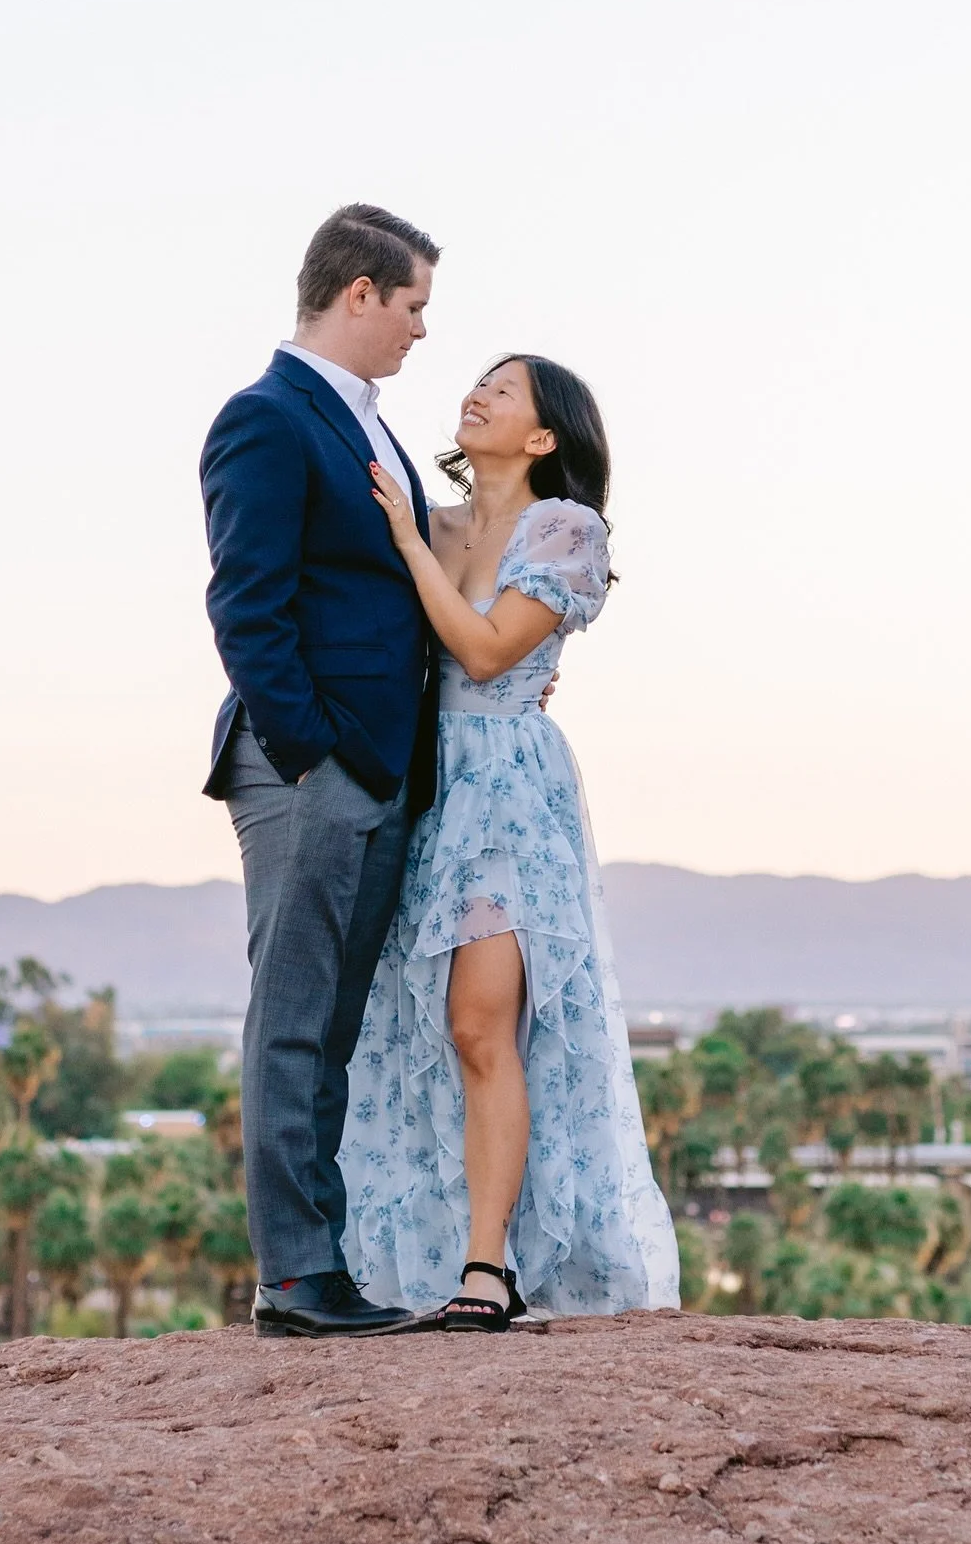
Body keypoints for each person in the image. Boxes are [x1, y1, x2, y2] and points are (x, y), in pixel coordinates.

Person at [339, 354, 680, 1327]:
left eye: (506, 389)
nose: (478, 392)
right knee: (410, 1034)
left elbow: (486, 650)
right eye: (479, 381)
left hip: (504, 795)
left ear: (543, 437)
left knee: (479, 1021)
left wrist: (408, 546)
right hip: (419, 789)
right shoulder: (429, 516)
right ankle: (427, 1251)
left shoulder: (565, 530)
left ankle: (488, 1268)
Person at [199, 203, 441, 1339]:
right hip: (311, 769)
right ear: (358, 292)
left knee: (332, 1028)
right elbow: (246, 605)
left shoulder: (375, 430)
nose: (421, 331)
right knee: (292, 1021)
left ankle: (318, 1262)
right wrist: (312, 757)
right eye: (412, 306)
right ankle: (295, 1276)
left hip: (381, 770)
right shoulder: (266, 419)